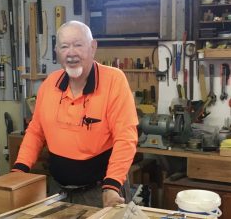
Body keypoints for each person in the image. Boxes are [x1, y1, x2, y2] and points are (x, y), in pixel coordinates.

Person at [12, 20, 138, 208]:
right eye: (64, 46)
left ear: (93, 47)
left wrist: (111, 186)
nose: (71, 53)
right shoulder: (49, 85)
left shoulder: (114, 81)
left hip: (101, 192)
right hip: (58, 191)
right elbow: (36, 131)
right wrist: (19, 170)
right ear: (57, 52)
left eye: (78, 45)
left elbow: (125, 138)